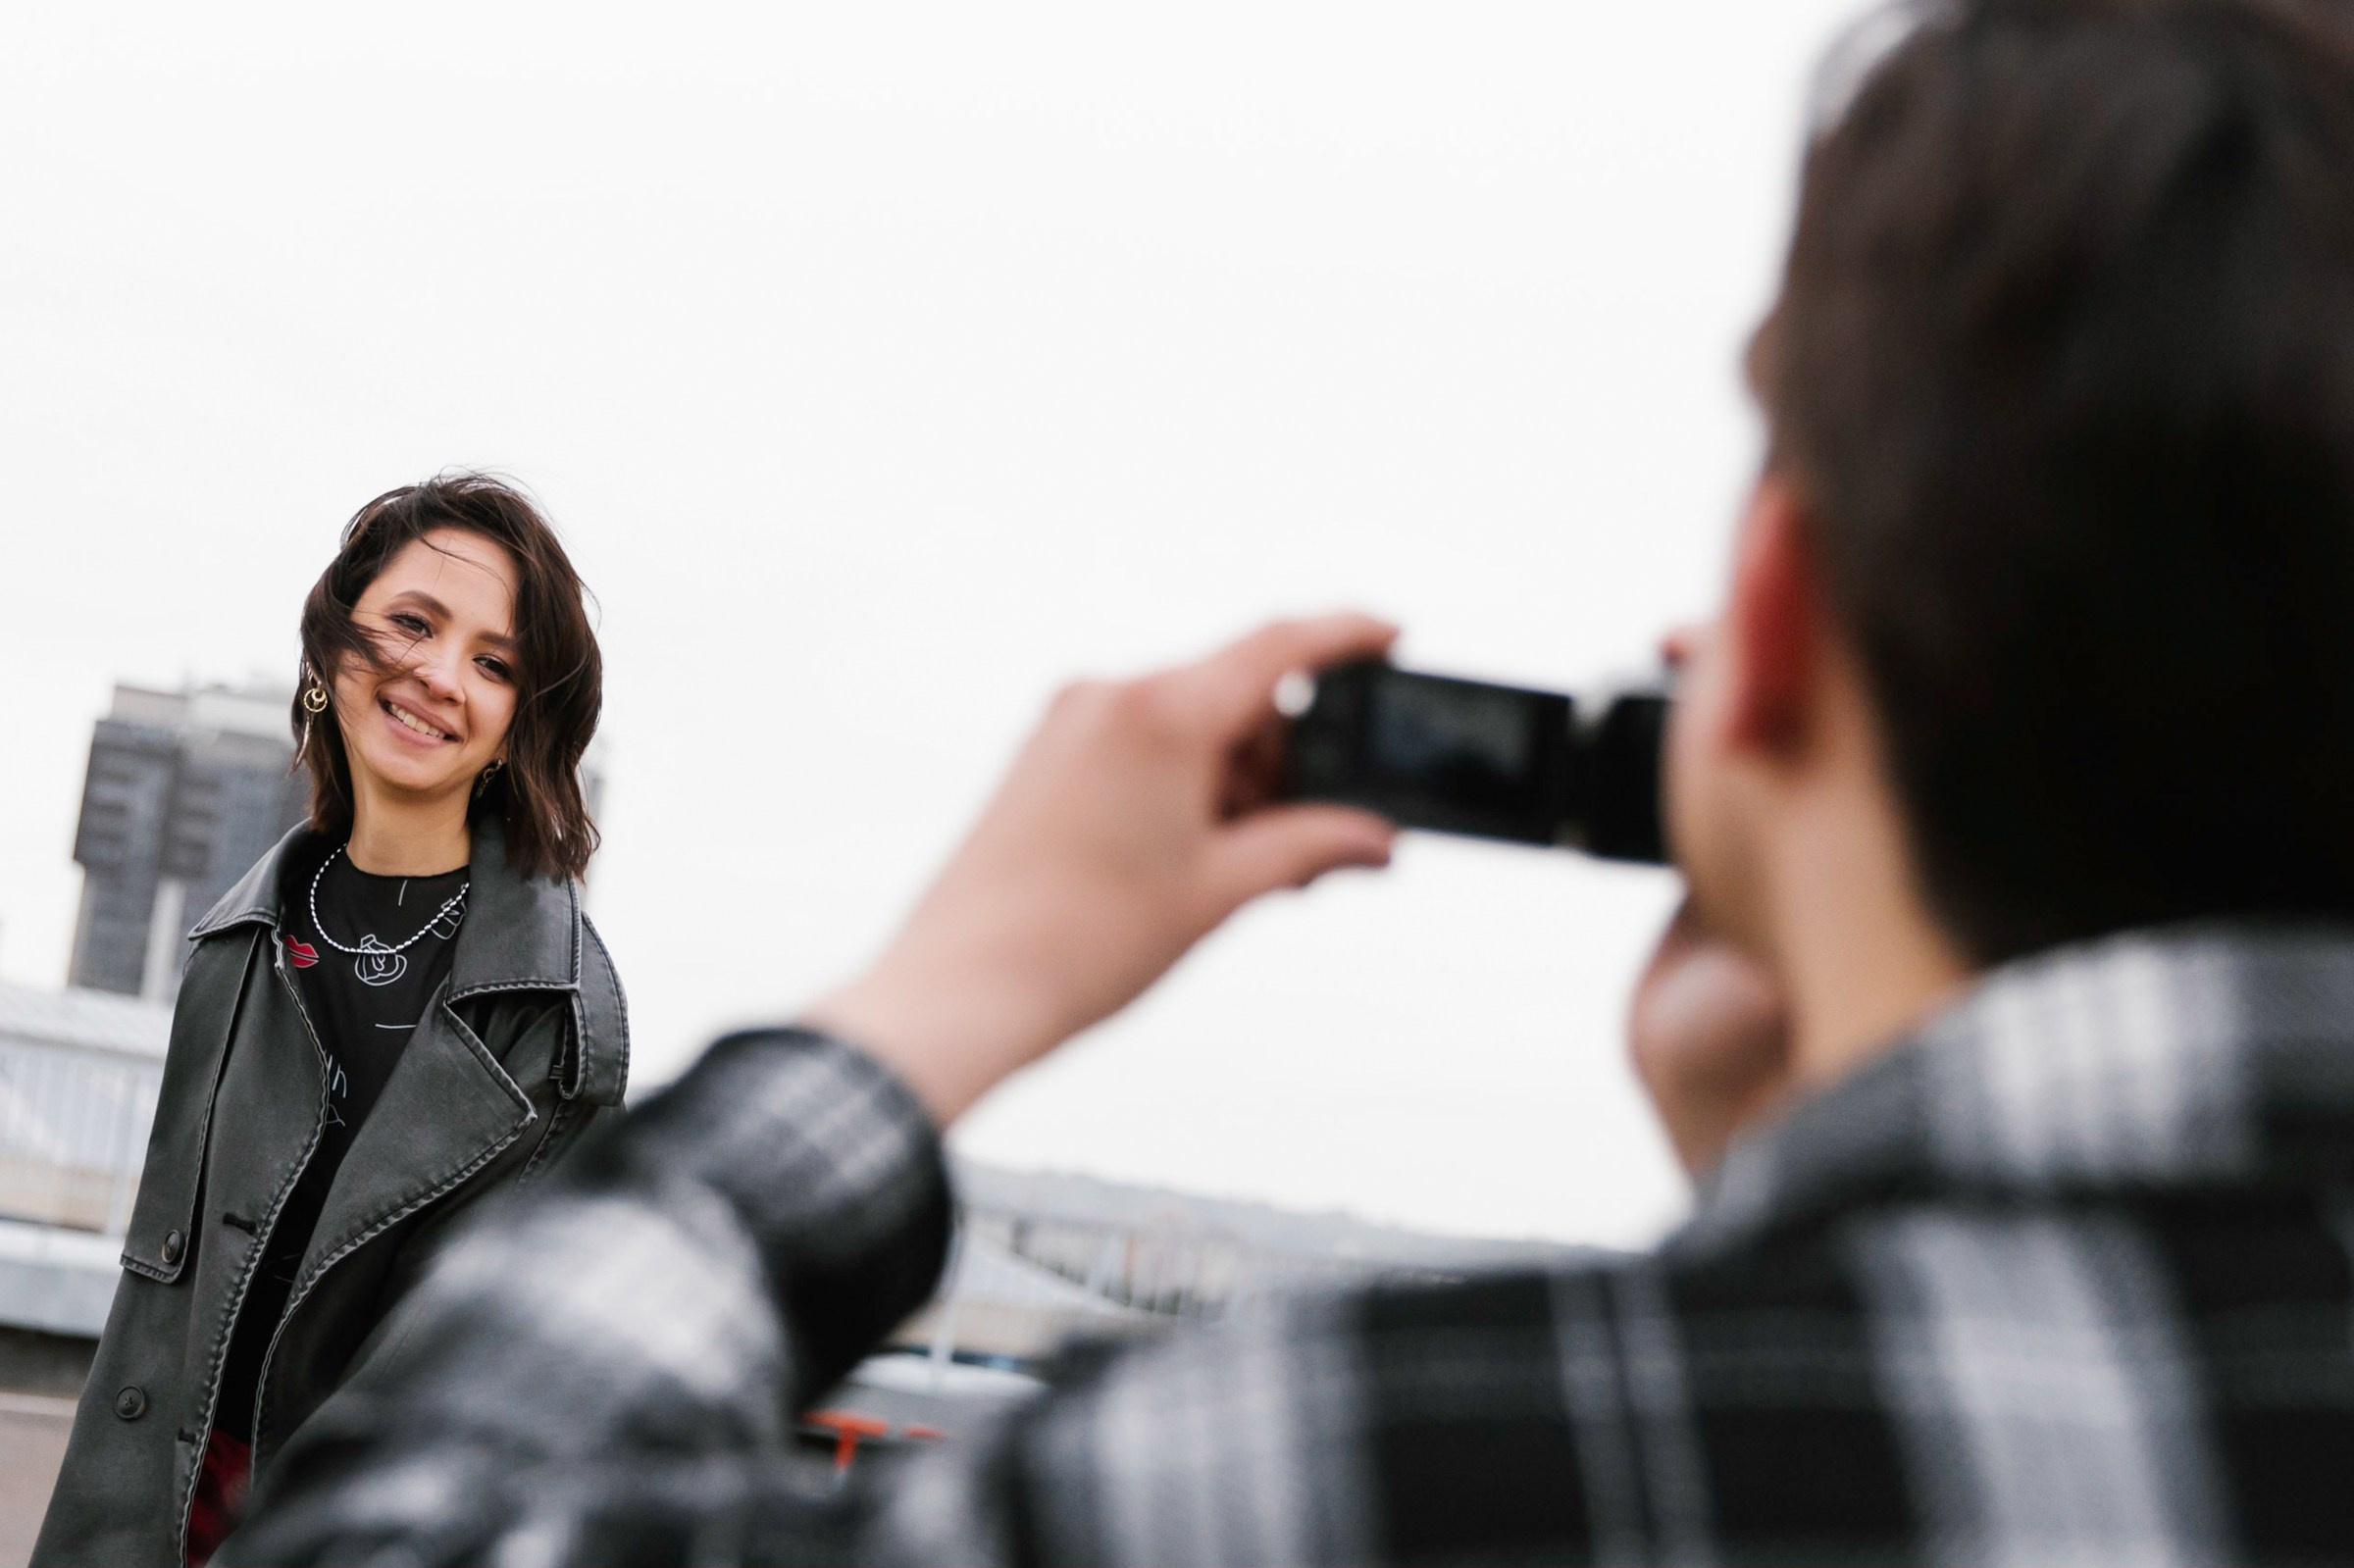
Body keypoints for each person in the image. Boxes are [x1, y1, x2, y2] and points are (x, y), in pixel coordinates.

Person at [228, 0, 2354, 1561]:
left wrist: (935, 1000)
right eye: (408, 631)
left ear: (1783, 610)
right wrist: (1834, 1131)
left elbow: (400, 1531)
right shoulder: (264, 935)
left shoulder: (1389, 1468)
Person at [33, 476, 630, 1568]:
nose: (440, 677)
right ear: (331, 650)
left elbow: (484, 1378)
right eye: (412, 623)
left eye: (494, 664)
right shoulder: (238, 940)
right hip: (155, 1513)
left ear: (515, 728)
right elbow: (159, 1318)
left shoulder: (557, 1013)